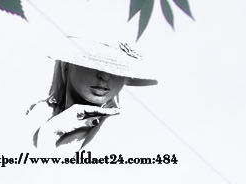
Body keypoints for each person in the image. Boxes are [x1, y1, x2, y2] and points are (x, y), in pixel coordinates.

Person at [28, 36, 157, 157]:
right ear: (67, 65)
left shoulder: (119, 127)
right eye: (94, 64)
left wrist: (47, 135)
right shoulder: (38, 113)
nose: (105, 76)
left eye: (118, 69)